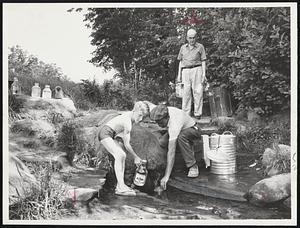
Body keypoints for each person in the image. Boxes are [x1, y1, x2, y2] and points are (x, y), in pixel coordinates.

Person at [98, 101, 150, 196]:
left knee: (122, 155)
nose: (140, 119)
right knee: (120, 155)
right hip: (105, 133)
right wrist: (136, 157)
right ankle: (121, 187)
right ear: (135, 110)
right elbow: (127, 144)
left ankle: (120, 186)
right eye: (139, 115)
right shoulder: (128, 122)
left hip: (112, 135)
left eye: (143, 117)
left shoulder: (129, 117)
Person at [150, 104, 202, 190]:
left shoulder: (174, 124)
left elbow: (171, 152)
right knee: (162, 142)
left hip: (193, 129)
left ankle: (193, 166)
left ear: (167, 118)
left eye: (161, 122)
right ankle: (177, 161)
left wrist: (166, 176)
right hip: (181, 129)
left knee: (181, 137)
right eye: (157, 122)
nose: (158, 124)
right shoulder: (162, 110)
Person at [177, 28, 207, 119]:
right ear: (187, 38)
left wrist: (203, 74)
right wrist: (179, 75)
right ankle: (186, 114)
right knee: (186, 93)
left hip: (197, 69)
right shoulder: (183, 48)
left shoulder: (200, 47)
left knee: (198, 91)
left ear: (196, 37)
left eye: (193, 38)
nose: (192, 40)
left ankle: (198, 113)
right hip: (185, 71)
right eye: (190, 38)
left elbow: (203, 61)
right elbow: (180, 62)